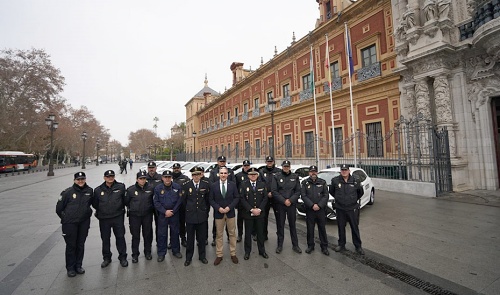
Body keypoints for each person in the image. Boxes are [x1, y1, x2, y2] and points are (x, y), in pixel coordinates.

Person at [56, 172, 93, 277]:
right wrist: (66, 218)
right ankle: (70, 268)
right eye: (78, 179)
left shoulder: (89, 191)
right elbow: (59, 209)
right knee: (71, 245)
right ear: (74, 180)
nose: (80, 181)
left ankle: (78, 265)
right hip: (70, 224)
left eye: (82, 179)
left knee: (80, 244)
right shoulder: (67, 192)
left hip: (83, 222)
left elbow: (91, 204)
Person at [92, 170, 128, 267]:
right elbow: (95, 204)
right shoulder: (98, 190)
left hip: (118, 217)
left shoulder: (121, 187)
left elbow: (125, 200)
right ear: (104, 178)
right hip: (104, 218)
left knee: (120, 237)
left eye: (112, 176)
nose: (110, 178)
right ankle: (107, 258)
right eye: (108, 176)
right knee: (105, 239)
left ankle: (123, 257)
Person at [329, 164, 365, 255]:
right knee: (341, 227)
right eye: (342, 170)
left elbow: (360, 192)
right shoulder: (335, 181)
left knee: (354, 227)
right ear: (340, 171)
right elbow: (332, 191)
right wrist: (340, 200)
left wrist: (352, 200)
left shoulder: (355, 181)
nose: (344, 171)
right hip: (340, 208)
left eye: (346, 170)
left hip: (352, 208)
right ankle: (341, 244)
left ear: (349, 171)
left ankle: (358, 246)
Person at [209, 166, 239, 265]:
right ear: (218, 174)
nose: (223, 175)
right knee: (219, 235)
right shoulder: (213, 185)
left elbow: (236, 198)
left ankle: (233, 253)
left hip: (230, 213)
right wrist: (218, 208)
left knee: (232, 234)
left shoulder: (232, 185)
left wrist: (229, 207)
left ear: (228, 174)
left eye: (225, 173)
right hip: (219, 214)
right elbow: (211, 200)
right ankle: (219, 255)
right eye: (221, 173)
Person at [181, 166, 210, 266]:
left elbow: (207, 200)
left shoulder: (205, 185)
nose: (196, 176)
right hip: (190, 216)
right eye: (194, 175)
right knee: (190, 239)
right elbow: (183, 201)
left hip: (201, 215)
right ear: (192, 176)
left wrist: (205, 211)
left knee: (201, 238)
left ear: (200, 175)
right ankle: (188, 257)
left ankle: (202, 256)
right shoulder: (186, 185)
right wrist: (189, 210)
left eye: (198, 174)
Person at [272, 160, 302, 254]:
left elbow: (298, 191)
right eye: (284, 166)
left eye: (287, 166)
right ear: (282, 167)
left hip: (291, 205)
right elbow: (274, 191)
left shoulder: (295, 177)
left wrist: (290, 200)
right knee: (280, 225)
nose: (286, 168)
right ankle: (279, 245)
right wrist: (284, 201)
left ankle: (295, 245)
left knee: (292, 225)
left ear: (289, 167)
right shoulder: (276, 176)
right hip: (281, 205)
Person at [239, 167, 269, 260]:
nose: (253, 176)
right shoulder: (243, 185)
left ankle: (262, 251)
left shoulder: (262, 184)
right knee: (248, 234)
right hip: (248, 213)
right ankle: (247, 252)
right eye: (251, 174)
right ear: (248, 176)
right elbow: (242, 199)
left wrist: (259, 209)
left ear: (257, 175)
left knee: (260, 233)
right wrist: (251, 209)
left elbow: (265, 198)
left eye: (255, 174)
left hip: (260, 213)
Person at [125, 171, 154, 263]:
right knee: (135, 236)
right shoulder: (130, 190)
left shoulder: (150, 188)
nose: (142, 180)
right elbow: (126, 202)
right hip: (135, 217)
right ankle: (135, 254)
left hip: (147, 215)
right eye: (141, 179)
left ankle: (148, 252)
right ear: (137, 179)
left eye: (144, 178)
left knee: (147, 235)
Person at [154, 170, 183, 262]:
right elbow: (156, 202)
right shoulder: (158, 188)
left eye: (169, 177)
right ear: (162, 178)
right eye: (165, 177)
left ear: (171, 178)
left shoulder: (177, 187)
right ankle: (161, 253)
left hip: (174, 214)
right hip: (163, 215)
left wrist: (173, 211)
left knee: (175, 232)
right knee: (162, 234)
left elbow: (179, 200)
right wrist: (165, 211)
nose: (167, 179)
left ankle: (176, 251)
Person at [301, 165, 330, 256]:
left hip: (320, 210)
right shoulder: (305, 183)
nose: (313, 173)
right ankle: (310, 246)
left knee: (322, 228)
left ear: (317, 172)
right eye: (311, 171)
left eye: (314, 171)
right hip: (310, 210)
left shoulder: (322, 182)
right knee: (310, 229)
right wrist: (312, 205)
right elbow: (303, 196)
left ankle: (324, 247)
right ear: (309, 173)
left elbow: (326, 195)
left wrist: (319, 205)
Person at [208, 155, 235, 246]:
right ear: (217, 162)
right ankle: (215, 238)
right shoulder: (213, 172)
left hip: (228, 201)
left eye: (223, 161)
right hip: (218, 201)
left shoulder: (230, 172)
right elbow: (211, 184)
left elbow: (233, 184)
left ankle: (228, 237)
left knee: (230, 224)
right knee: (216, 223)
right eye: (220, 161)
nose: (222, 163)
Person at [259, 156, 281, 241]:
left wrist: (273, 193)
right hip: (265, 197)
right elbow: (260, 184)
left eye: (271, 161)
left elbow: (280, 185)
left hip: (276, 197)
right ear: (265, 162)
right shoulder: (261, 172)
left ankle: (279, 236)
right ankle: (264, 235)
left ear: (273, 162)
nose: (269, 162)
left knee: (279, 218)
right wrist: (266, 193)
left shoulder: (278, 171)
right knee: (264, 218)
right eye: (268, 161)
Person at [171, 162, 190, 248]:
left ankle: (183, 238)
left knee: (182, 223)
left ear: (180, 169)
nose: (176, 170)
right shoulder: (169, 178)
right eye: (175, 169)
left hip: (182, 205)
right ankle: (172, 240)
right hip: (171, 205)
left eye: (177, 168)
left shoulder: (185, 178)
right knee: (172, 224)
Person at [145, 161, 162, 244]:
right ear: (147, 168)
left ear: (156, 168)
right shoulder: (144, 178)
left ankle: (159, 243)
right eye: (150, 168)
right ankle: (148, 245)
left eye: (153, 168)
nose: (151, 169)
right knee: (147, 227)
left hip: (158, 206)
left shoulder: (160, 177)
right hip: (147, 205)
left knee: (159, 226)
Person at [235, 160, 251, 242]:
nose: (246, 167)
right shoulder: (238, 176)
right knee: (240, 220)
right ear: (242, 166)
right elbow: (236, 189)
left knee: (251, 219)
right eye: (245, 165)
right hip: (241, 201)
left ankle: (253, 234)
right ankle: (240, 234)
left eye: (247, 165)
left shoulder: (252, 174)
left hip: (250, 201)